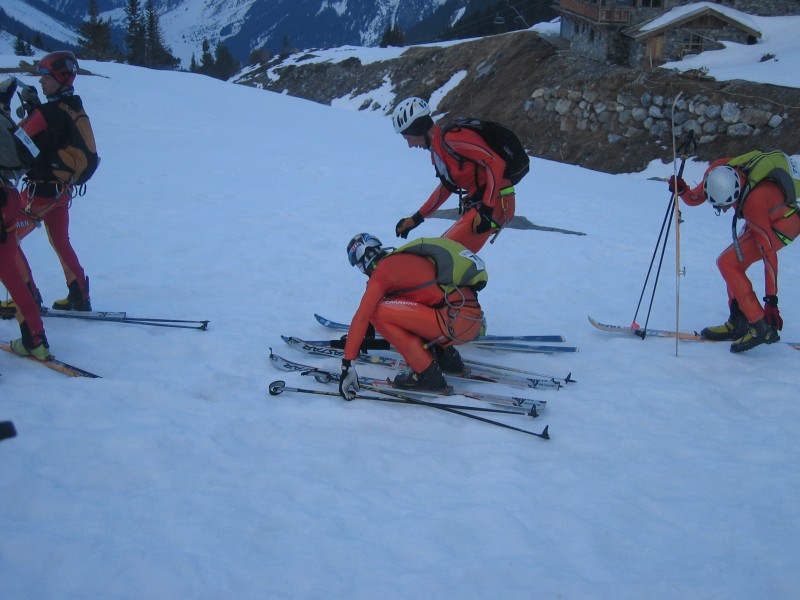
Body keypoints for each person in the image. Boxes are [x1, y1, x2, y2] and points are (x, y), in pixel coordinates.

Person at [669, 149, 800, 352]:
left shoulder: (754, 201)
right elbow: (695, 198)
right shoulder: (717, 172)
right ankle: (739, 322)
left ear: (736, 192)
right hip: (763, 216)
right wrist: (683, 190)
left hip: (784, 223)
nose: (724, 210)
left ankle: (761, 327)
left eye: (726, 205)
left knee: (728, 262)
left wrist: (771, 301)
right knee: (729, 261)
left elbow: (768, 253)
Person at [338, 233, 485, 399]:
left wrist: (348, 362)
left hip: (452, 323)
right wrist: (361, 338)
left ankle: (427, 374)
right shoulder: (403, 258)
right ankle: (448, 361)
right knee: (401, 303)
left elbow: (363, 315)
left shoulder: (382, 273)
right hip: (469, 321)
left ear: (362, 261)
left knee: (376, 311)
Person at [3, 51, 93, 316]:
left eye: (45, 76)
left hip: (38, 193)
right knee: (60, 241)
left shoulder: (46, 112)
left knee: (8, 239)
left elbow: (14, 141)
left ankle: (27, 297)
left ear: (59, 78)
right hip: (61, 190)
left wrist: (13, 110)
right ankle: (80, 295)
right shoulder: (72, 106)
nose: (41, 82)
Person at [391, 97, 516, 253]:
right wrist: (416, 218)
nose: (409, 145)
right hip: (482, 206)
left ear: (418, 129)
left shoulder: (452, 139)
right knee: (445, 256)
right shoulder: (438, 152)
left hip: (497, 204)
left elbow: (496, 163)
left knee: (442, 254)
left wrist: (486, 210)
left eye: (408, 138)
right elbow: (446, 187)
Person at [0, 79, 51, 360]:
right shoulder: (9, 126)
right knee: (12, 276)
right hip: (9, 197)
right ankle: (36, 341)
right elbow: (30, 155)